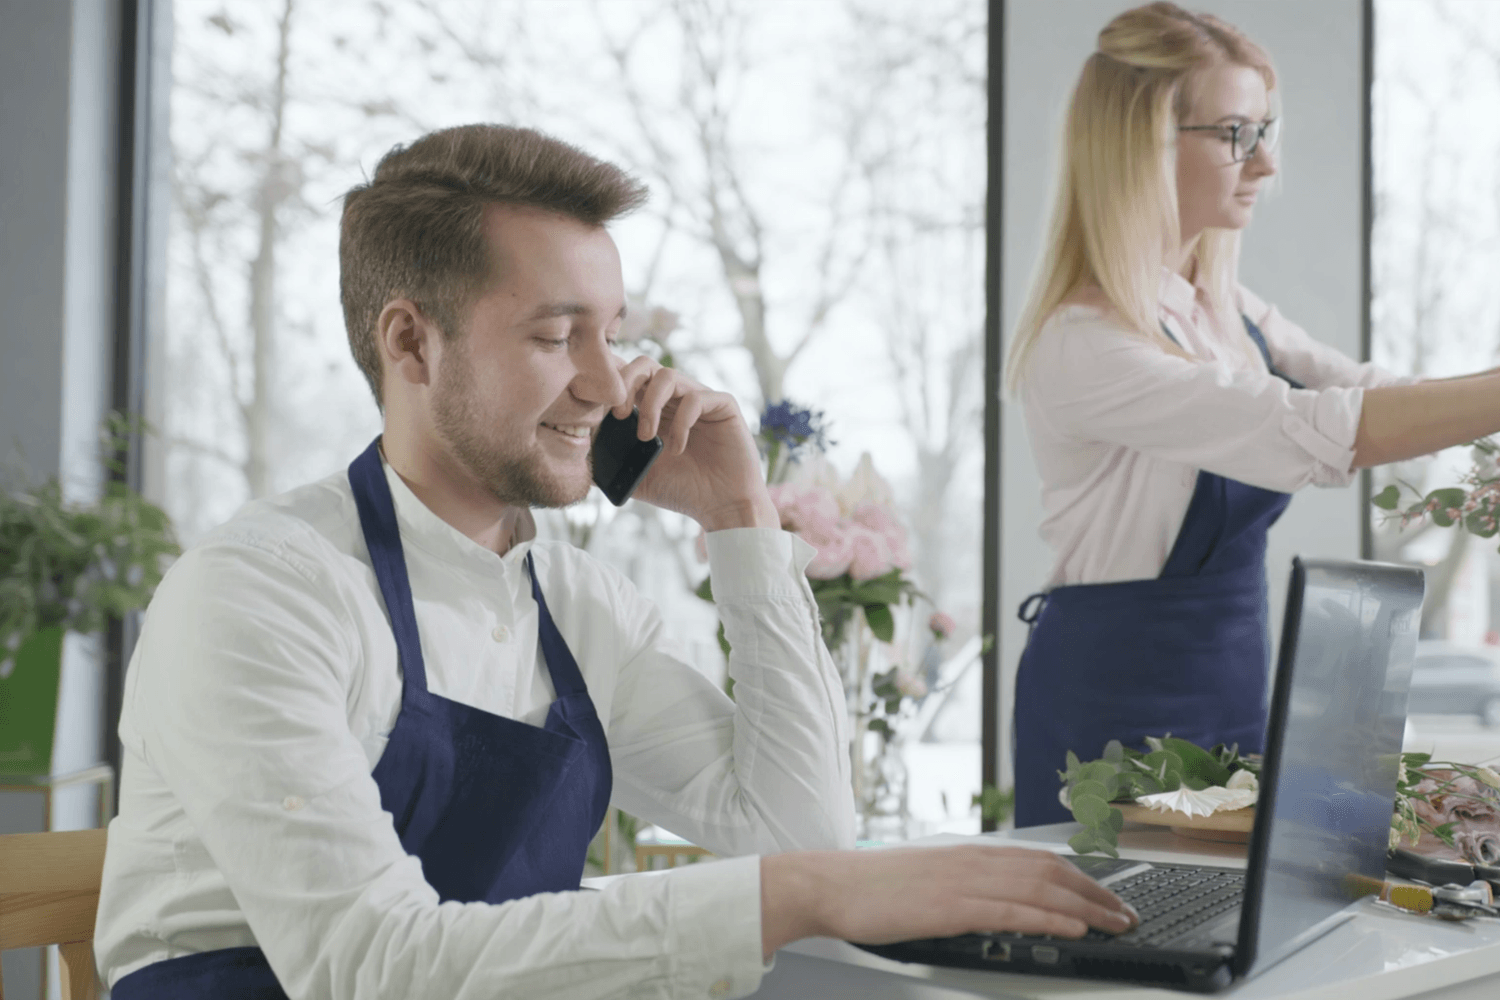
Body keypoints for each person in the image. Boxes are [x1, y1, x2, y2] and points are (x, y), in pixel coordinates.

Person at [95, 124, 1137, 1000]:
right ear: (411, 344)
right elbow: (373, 964)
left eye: (614, 336)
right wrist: (798, 897)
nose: (608, 383)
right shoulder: (258, 595)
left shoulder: (578, 604)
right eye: (558, 336)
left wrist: (740, 517)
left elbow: (798, 828)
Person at [1008, 1, 1500, 828]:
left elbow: (1373, 391)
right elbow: (1313, 428)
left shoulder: (1224, 310)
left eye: (1265, 130)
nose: (1265, 163)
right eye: (1236, 133)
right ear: (1141, 143)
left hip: (1232, 682)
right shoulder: (1084, 343)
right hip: (1113, 707)